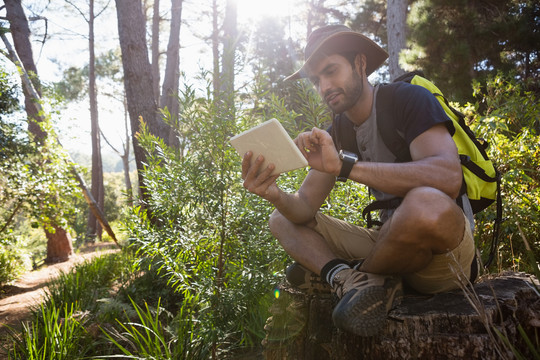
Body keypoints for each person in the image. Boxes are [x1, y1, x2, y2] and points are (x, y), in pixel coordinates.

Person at [241, 24, 476, 337]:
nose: (324, 87)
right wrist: (274, 194)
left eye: (331, 71)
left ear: (361, 63)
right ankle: (355, 281)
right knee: (280, 220)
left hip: (444, 253)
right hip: (388, 243)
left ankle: (356, 278)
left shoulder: (408, 100)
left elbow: (447, 178)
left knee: (423, 203)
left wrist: (345, 167)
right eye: (316, 80)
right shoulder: (338, 130)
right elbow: (303, 209)